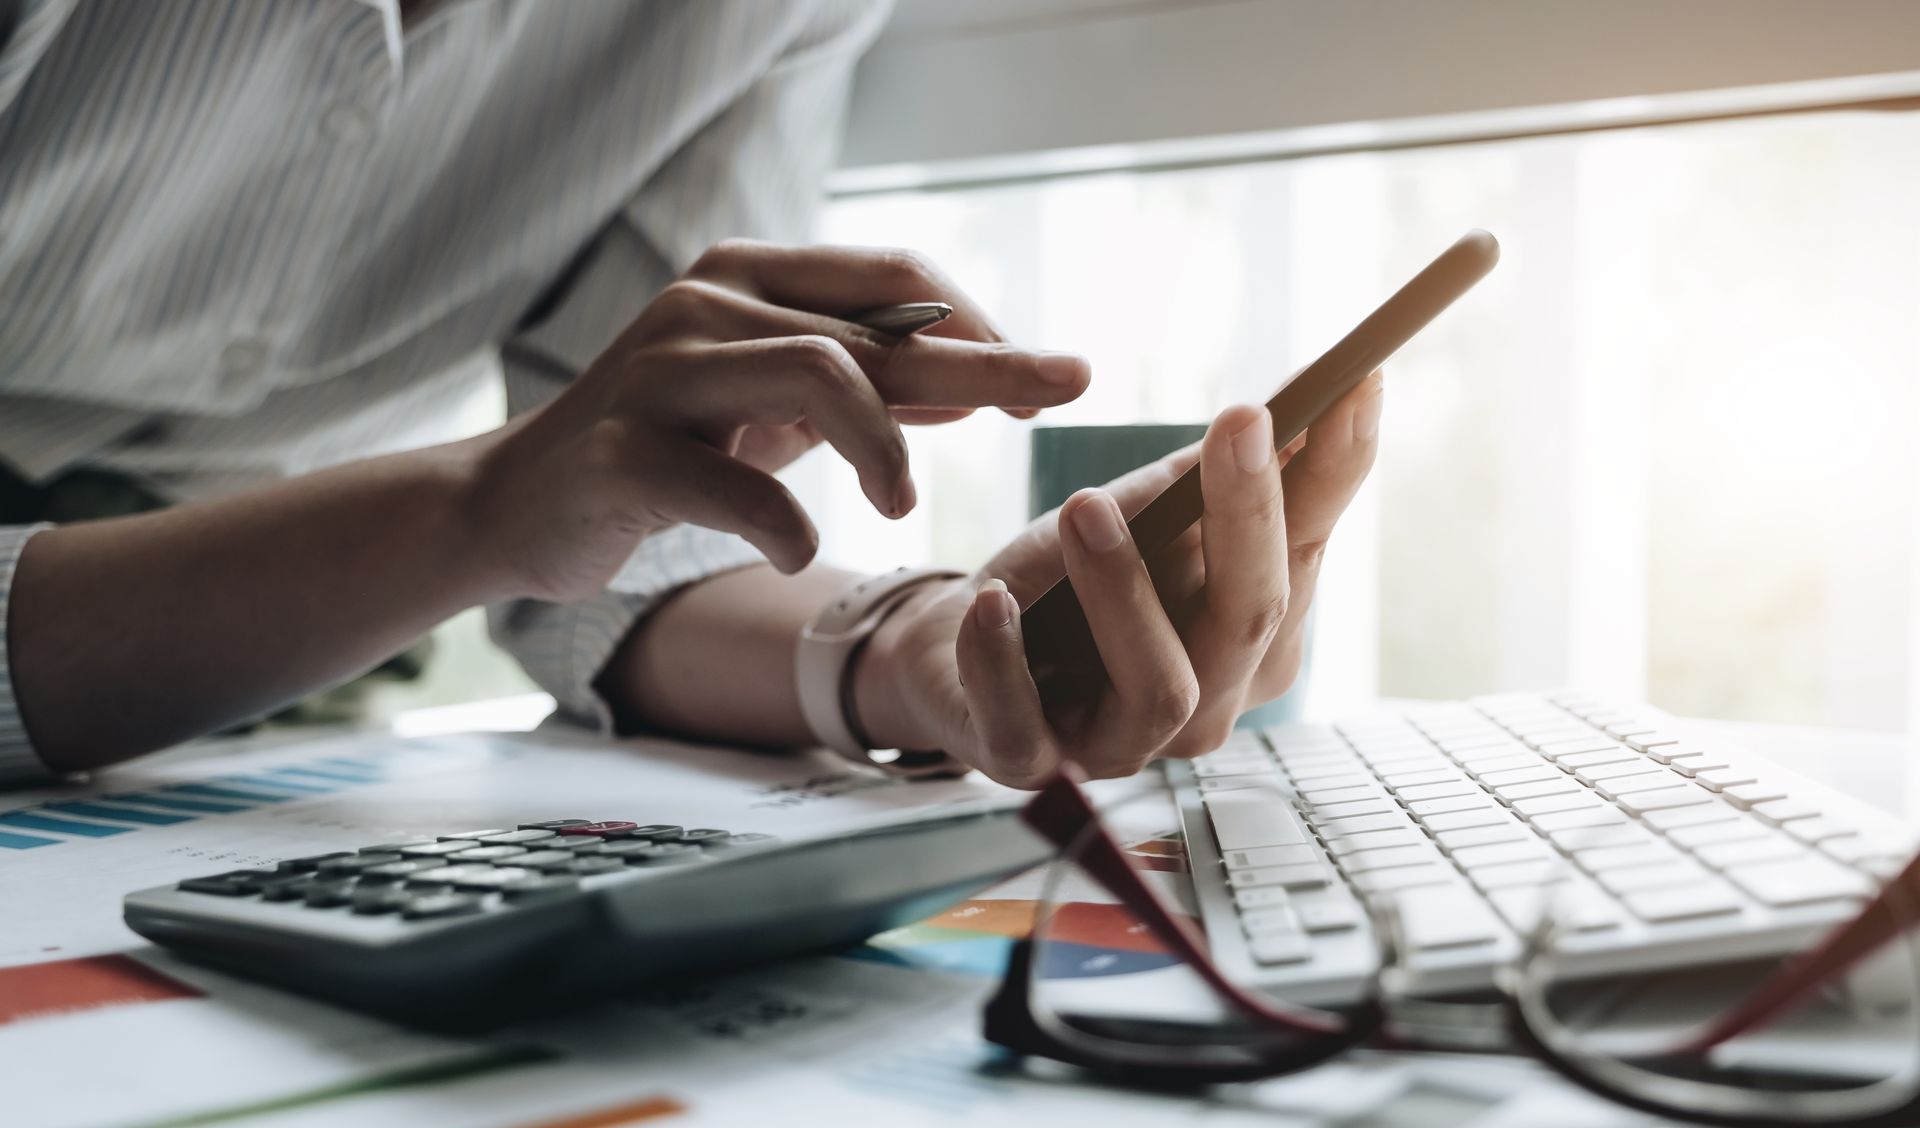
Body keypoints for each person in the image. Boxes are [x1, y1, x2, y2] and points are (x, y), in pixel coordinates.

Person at [0, 0, 1380, 789]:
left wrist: (921, 649)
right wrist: (474, 510)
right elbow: (520, 508)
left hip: (268, 679)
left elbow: (612, 528)